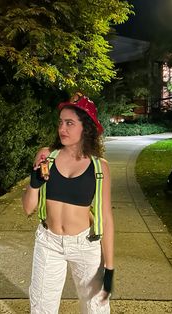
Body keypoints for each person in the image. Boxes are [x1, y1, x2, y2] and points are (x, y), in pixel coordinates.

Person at [22, 92, 114, 314]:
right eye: (61, 122)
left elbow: (106, 217)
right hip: (48, 242)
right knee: (42, 307)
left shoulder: (99, 167)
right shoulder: (46, 157)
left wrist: (109, 267)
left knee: (95, 309)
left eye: (70, 123)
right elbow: (28, 208)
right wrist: (34, 184)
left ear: (86, 128)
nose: (62, 128)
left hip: (86, 244)